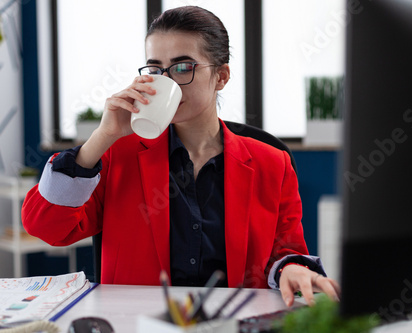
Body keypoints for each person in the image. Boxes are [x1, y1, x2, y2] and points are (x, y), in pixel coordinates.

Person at [22, 6, 339, 307]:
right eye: (156, 69)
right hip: (137, 321)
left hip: (233, 320)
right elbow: (46, 227)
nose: (167, 81)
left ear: (221, 76)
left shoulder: (272, 163)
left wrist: (292, 269)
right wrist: (102, 137)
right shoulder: (118, 154)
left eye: (183, 67)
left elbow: (287, 250)